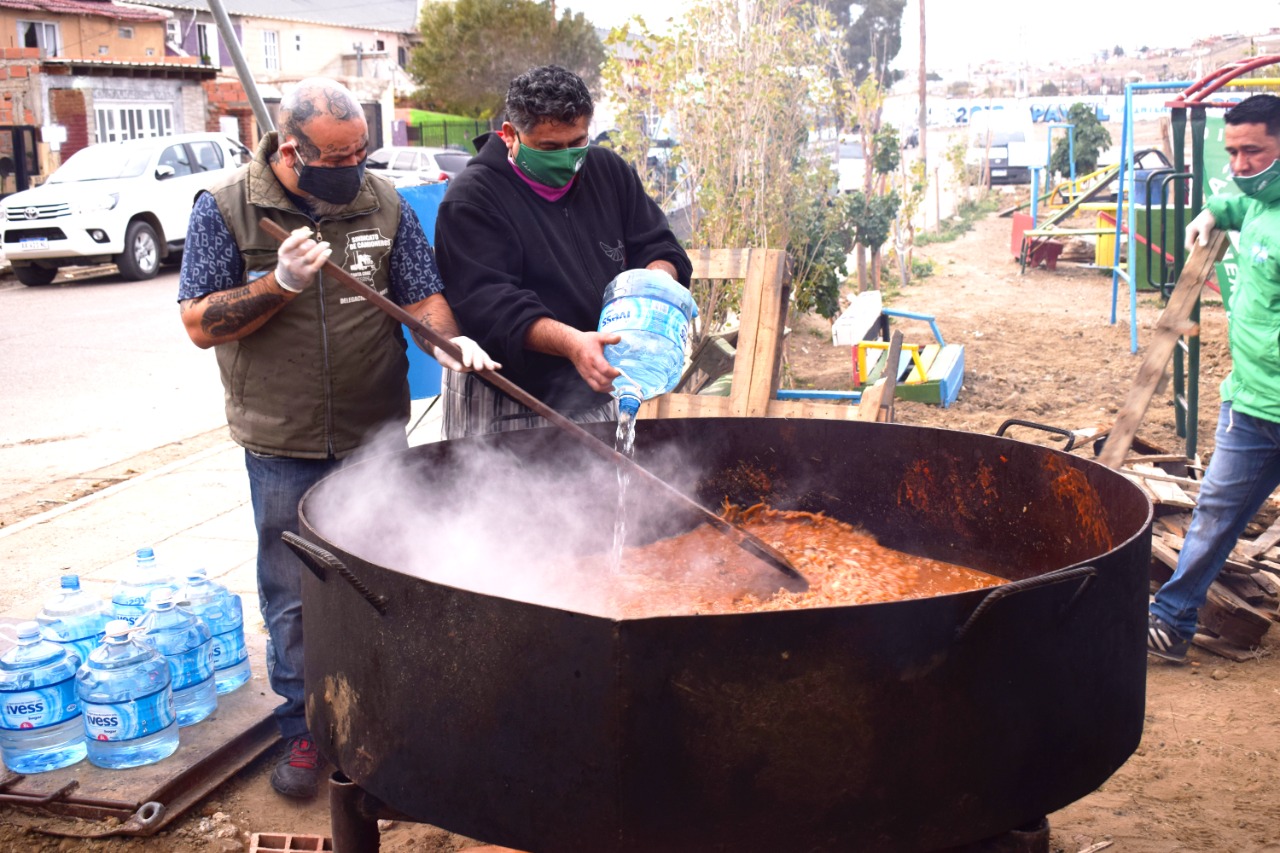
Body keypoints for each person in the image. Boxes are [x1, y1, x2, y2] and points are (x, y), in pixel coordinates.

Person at [177, 77, 496, 797]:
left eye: (361, 151)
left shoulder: (379, 200)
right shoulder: (228, 208)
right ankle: (303, 729)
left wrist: (451, 344)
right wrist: (279, 283)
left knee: (381, 580)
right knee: (294, 590)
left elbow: (421, 294)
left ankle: (381, 722)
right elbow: (199, 323)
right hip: (280, 437)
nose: (355, 166)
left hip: (374, 431)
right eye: (338, 155)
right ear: (293, 149)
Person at [434, 64, 692, 436]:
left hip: (595, 386)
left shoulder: (608, 172)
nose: (569, 159)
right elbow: (492, 306)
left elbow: (656, 243)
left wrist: (656, 282)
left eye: (577, 143)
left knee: (596, 492)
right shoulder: (473, 200)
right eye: (550, 148)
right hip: (508, 395)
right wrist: (572, 343)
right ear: (510, 134)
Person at [1147, 93, 1280, 662]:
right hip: (1252, 403)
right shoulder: (1253, 201)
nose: (1242, 163)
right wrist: (1213, 211)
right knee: (1213, 519)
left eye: (1255, 150)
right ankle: (1170, 624)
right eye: (1234, 152)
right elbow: (1240, 198)